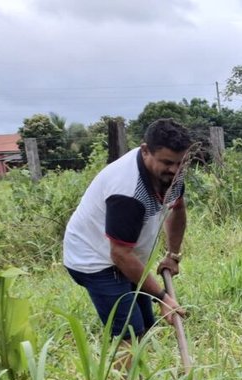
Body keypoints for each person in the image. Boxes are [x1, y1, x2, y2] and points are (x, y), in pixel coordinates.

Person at [62, 118, 190, 342]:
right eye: (167, 162)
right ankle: (126, 366)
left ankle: (140, 364)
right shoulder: (127, 191)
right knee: (129, 334)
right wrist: (162, 297)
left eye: (180, 163)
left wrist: (173, 255)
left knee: (146, 326)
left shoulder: (172, 173)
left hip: (127, 255)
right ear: (145, 151)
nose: (175, 170)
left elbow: (177, 208)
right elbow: (120, 254)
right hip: (95, 260)